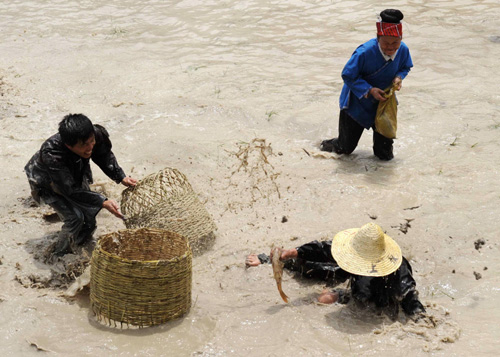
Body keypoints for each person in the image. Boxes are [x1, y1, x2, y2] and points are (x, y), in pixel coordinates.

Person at [246, 223, 425, 318]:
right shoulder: (354, 252)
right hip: (354, 279)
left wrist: (419, 319)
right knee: (319, 268)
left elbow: (410, 298)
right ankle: (268, 260)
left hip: (370, 295)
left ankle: (337, 293)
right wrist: (294, 252)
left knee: (324, 298)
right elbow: (324, 249)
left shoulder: (397, 267)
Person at [24, 114, 137, 256]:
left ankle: (82, 241)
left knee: (88, 214)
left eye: (92, 141)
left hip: (74, 167)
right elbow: (69, 189)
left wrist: (121, 176)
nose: (90, 147)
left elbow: (103, 155)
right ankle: (59, 254)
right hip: (46, 178)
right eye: (84, 145)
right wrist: (103, 201)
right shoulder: (52, 154)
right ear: (68, 145)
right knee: (75, 218)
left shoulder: (94, 134)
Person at [320, 9, 413, 160]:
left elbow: (405, 67)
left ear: (401, 39)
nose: (390, 47)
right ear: (378, 39)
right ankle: (322, 145)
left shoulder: (403, 50)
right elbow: (347, 75)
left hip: (383, 104)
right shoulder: (364, 52)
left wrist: (398, 77)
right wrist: (369, 90)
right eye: (386, 43)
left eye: (395, 42)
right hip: (357, 102)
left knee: (384, 154)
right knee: (345, 148)